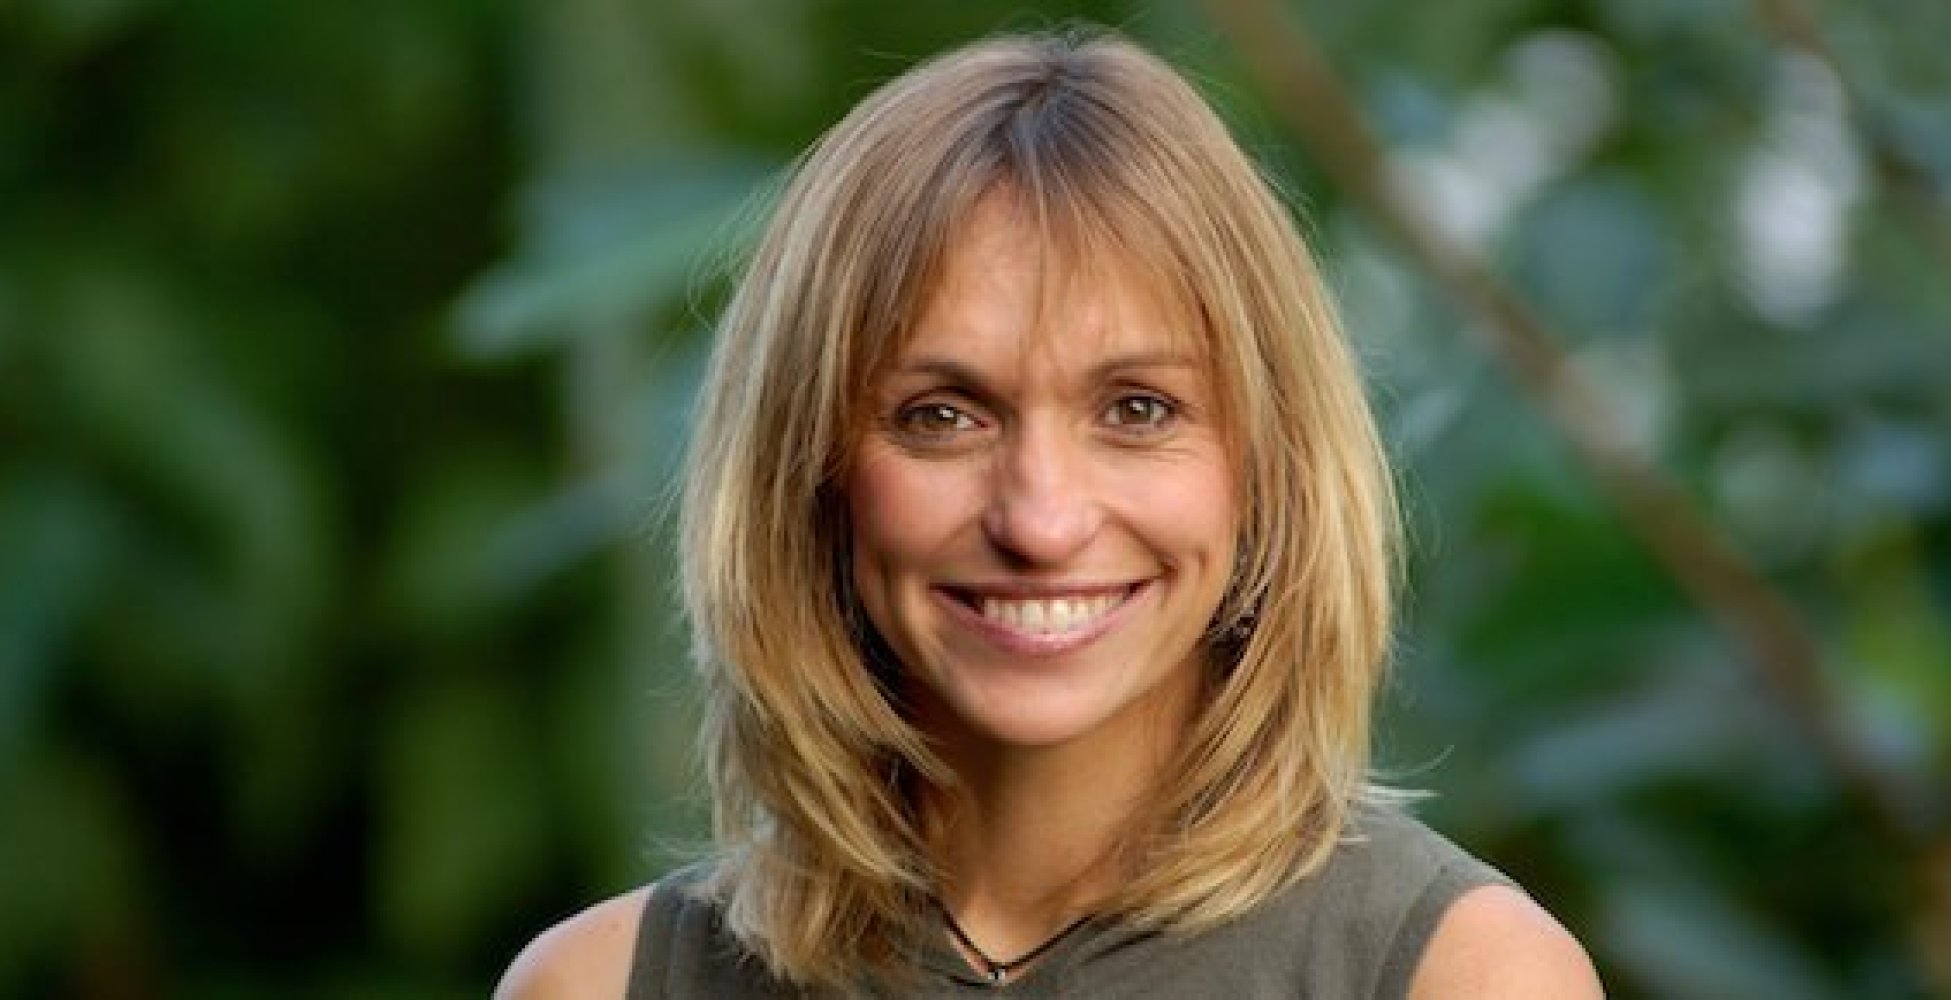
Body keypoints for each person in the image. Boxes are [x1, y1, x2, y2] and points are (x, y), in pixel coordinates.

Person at [499, 27, 1599, 999]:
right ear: (809, 472)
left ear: (1270, 468)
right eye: (941, 416)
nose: (1040, 521)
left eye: (1137, 409)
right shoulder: (595, 986)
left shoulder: (1463, 977)